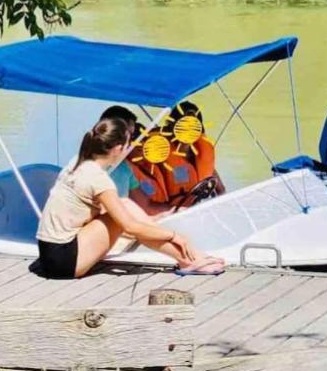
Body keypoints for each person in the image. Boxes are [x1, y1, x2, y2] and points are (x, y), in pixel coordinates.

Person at [36, 117, 224, 279]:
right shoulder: (98, 179)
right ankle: (188, 259)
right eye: (128, 146)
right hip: (63, 262)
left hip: (48, 254)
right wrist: (174, 235)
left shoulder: (78, 161)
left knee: (124, 204)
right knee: (126, 216)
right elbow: (131, 227)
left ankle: (189, 258)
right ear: (118, 148)